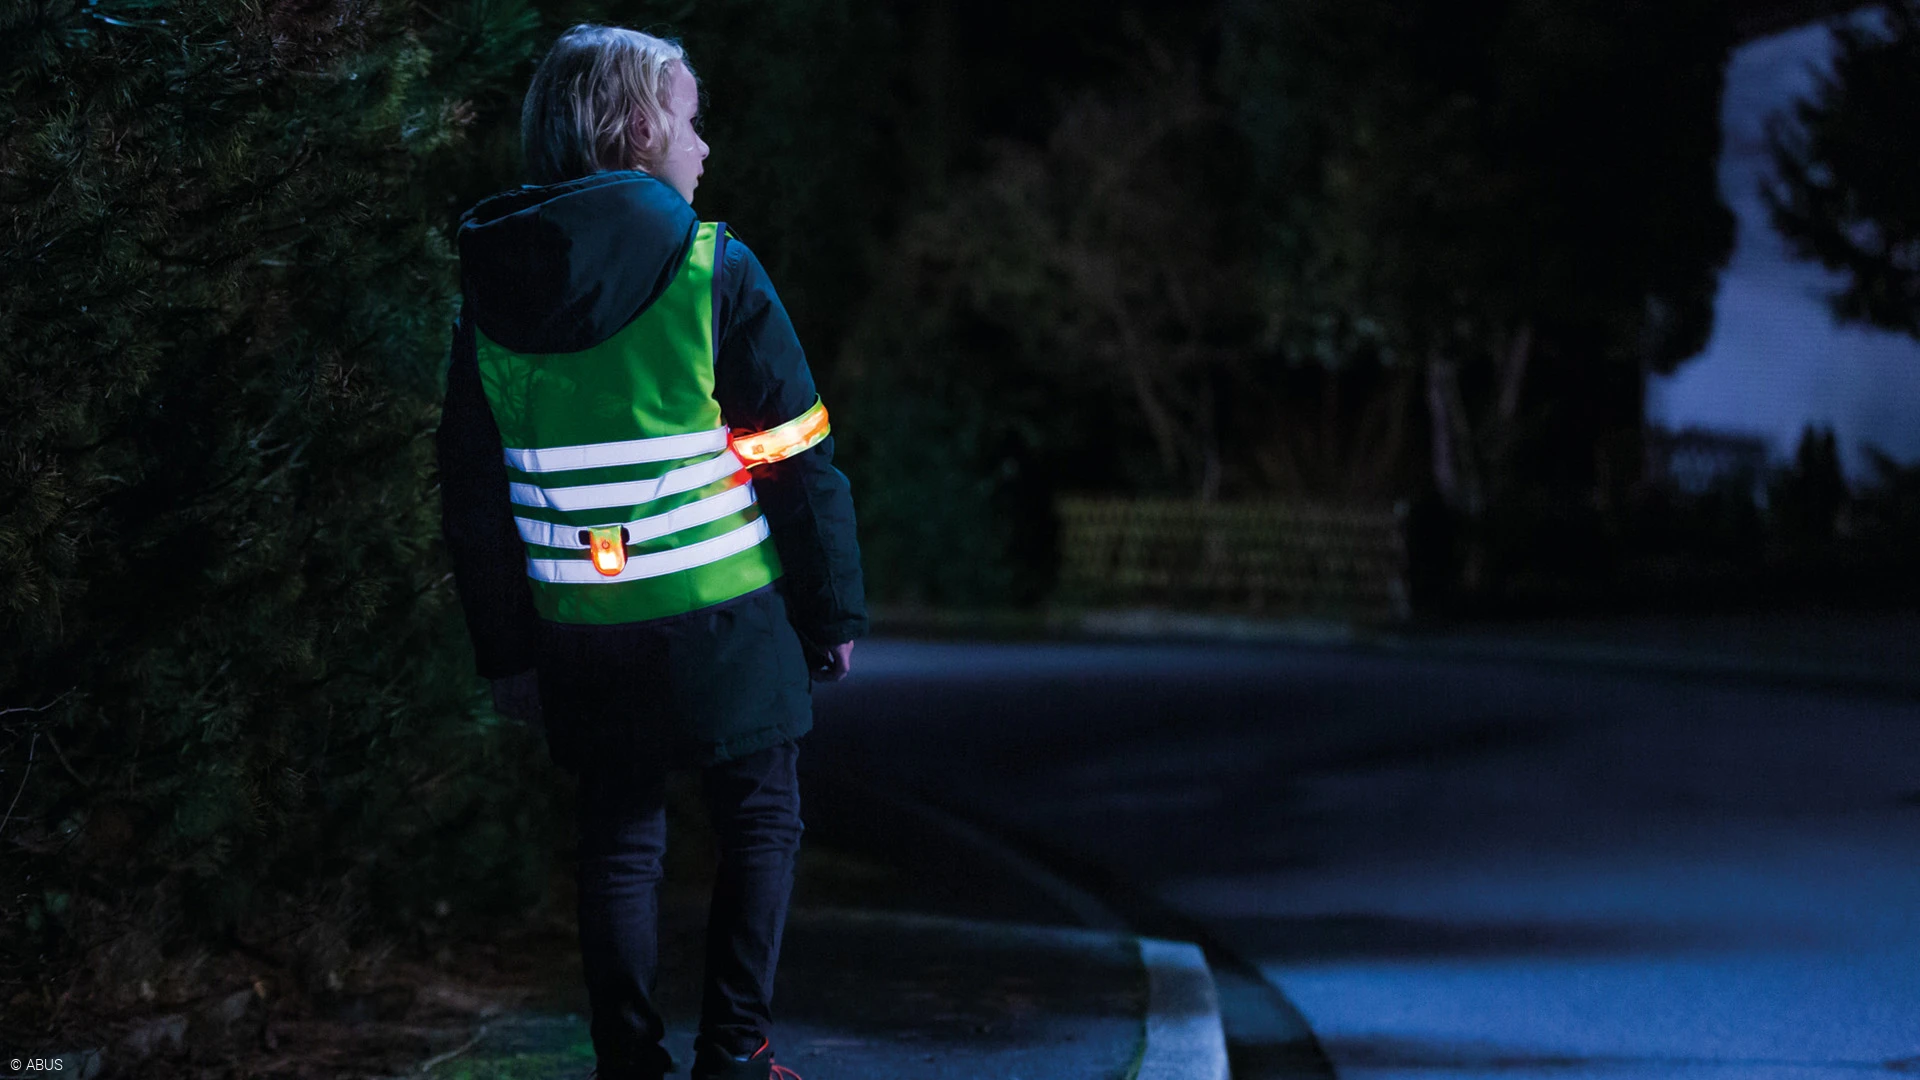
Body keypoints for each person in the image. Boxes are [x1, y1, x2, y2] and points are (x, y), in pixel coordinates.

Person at [435, 24, 867, 1080]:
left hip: (584, 633)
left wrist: (507, 655)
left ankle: (630, 1066)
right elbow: (793, 459)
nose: (702, 144)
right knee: (760, 820)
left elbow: (475, 501)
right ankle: (737, 1055)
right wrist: (833, 612)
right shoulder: (714, 267)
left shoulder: (493, 295)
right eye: (689, 116)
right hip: (726, 619)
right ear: (639, 129)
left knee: (620, 843)